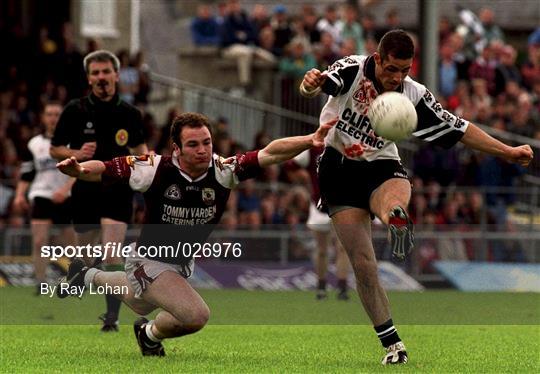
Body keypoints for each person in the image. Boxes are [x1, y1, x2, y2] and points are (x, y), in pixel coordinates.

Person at [299, 29, 534, 365]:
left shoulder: (414, 94)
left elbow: (461, 128)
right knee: (364, 265)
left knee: (393, 196)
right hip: (338, 168)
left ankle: (394, 214)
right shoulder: (352, 69)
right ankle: (393, 345)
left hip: (380, 162)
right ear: (377, 59)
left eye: (405, 70)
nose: (397, 78)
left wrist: (507, 151)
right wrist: (309, 83)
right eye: (391, 69)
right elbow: (320, 84)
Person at [55, 112, 335, 357]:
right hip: (150, 260)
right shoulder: (153, 169)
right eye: (193, 144)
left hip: (179, 263)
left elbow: (270, 153)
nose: (202, 150)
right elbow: (103, 168)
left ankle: (86, 275)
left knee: (139, 302)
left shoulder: (223, 171)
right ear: (176, 148)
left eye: (207, 142)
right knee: (196, 315)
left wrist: (310, 139)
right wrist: (79, 170)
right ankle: (150, 335)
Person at [50, 50, 148, 332]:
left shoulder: (130, 114)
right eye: (95, 73)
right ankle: (79, 275)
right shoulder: (75, 110)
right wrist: (76, 152)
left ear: (116, 75)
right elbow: (55, 148)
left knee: (112, 255)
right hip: (86, 189)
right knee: (84, 255)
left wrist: (148, 166)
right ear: (89, 77)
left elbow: (140, 150)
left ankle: (111, 318)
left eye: (106, 72)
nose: (101, 77)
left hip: (117, 189)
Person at [12, 101, 76, 293]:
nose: (53, 118)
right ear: (43, 117)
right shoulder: (34, 144)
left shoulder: (72, 142)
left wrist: (64, 190)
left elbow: (80, 171)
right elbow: (27, 173)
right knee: (40, 241)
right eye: (49, 114)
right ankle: (40, 283)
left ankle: (76, 281)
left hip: (65, 197)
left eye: (57, 114)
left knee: (70, 245)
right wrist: (19, 195)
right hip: (41, 196)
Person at [289, 148, 350, 300]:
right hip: (319, 206)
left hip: (342, 204)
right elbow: (290, 166)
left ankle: (342, 287)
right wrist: (303, 178)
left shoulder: (347, 145)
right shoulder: (312, 150)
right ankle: (321, 286)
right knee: (322, 250)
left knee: (343, 248)